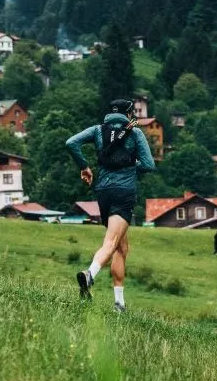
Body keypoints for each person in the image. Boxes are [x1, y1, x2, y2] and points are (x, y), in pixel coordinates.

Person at [66, 98, 156, 313]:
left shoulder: (98, 130)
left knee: (122, 247)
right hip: (123, 193)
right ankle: (90, 275)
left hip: (103, 192)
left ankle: (119, 304)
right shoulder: (134, 132)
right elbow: (149, 165)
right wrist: (130, 164)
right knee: (111, 242)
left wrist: (85, 167)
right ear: (128, 114)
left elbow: (71, 143)